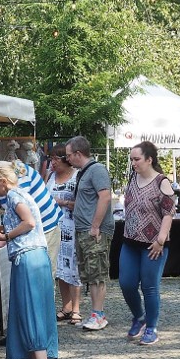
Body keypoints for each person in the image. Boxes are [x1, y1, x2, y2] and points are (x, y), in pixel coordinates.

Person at [0, 158, 63, 347]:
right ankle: (28, 336)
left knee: (41, 289)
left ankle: (41, 339)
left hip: (45, 230)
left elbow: (27, 220)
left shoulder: (13, 191)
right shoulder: (9, 182)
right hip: (34, 236)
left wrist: (6, 238)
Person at [0, 161, 58, 359]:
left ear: (2, 182)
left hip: (30, 258)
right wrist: (3, 235)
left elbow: (29, 223)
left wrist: (5, 235)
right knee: (28, 311)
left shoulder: (15, 197)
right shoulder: (18, 196)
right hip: (30, 257)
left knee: (32, 311)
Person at [119, 141, 174, 345]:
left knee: (149, 287)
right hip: (130, 241)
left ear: (149, 159)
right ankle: (139, 317)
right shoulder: (133, 178)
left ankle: (151, 327)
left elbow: (168, 214)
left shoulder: (162, 181)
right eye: (131, 159)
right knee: (126, 283)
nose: (133, 163)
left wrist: (160, 240)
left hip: (153, 244)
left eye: (137, 159)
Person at [65, 135, 114, 331]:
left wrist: (95, 226)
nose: (67, 159)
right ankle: (95, 313)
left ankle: (98, 314)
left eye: (69, 155)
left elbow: (105, 197)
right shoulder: (83, 173)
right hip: (84, 230)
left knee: (98, 273)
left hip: (95, 232)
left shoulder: (97, 170)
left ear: (78, 154)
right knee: (90, 273)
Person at [45, 144, 82, 325]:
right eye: (51, 159)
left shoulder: (77, 176)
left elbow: (83, 204)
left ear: (65, 160)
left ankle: (76, 308)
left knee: (73, 267)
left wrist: (63, 202)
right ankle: (66, 306)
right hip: (53, 227)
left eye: (55, 159)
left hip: (72, 225)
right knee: (59, 267)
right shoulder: (50, 176)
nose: (52, 163)